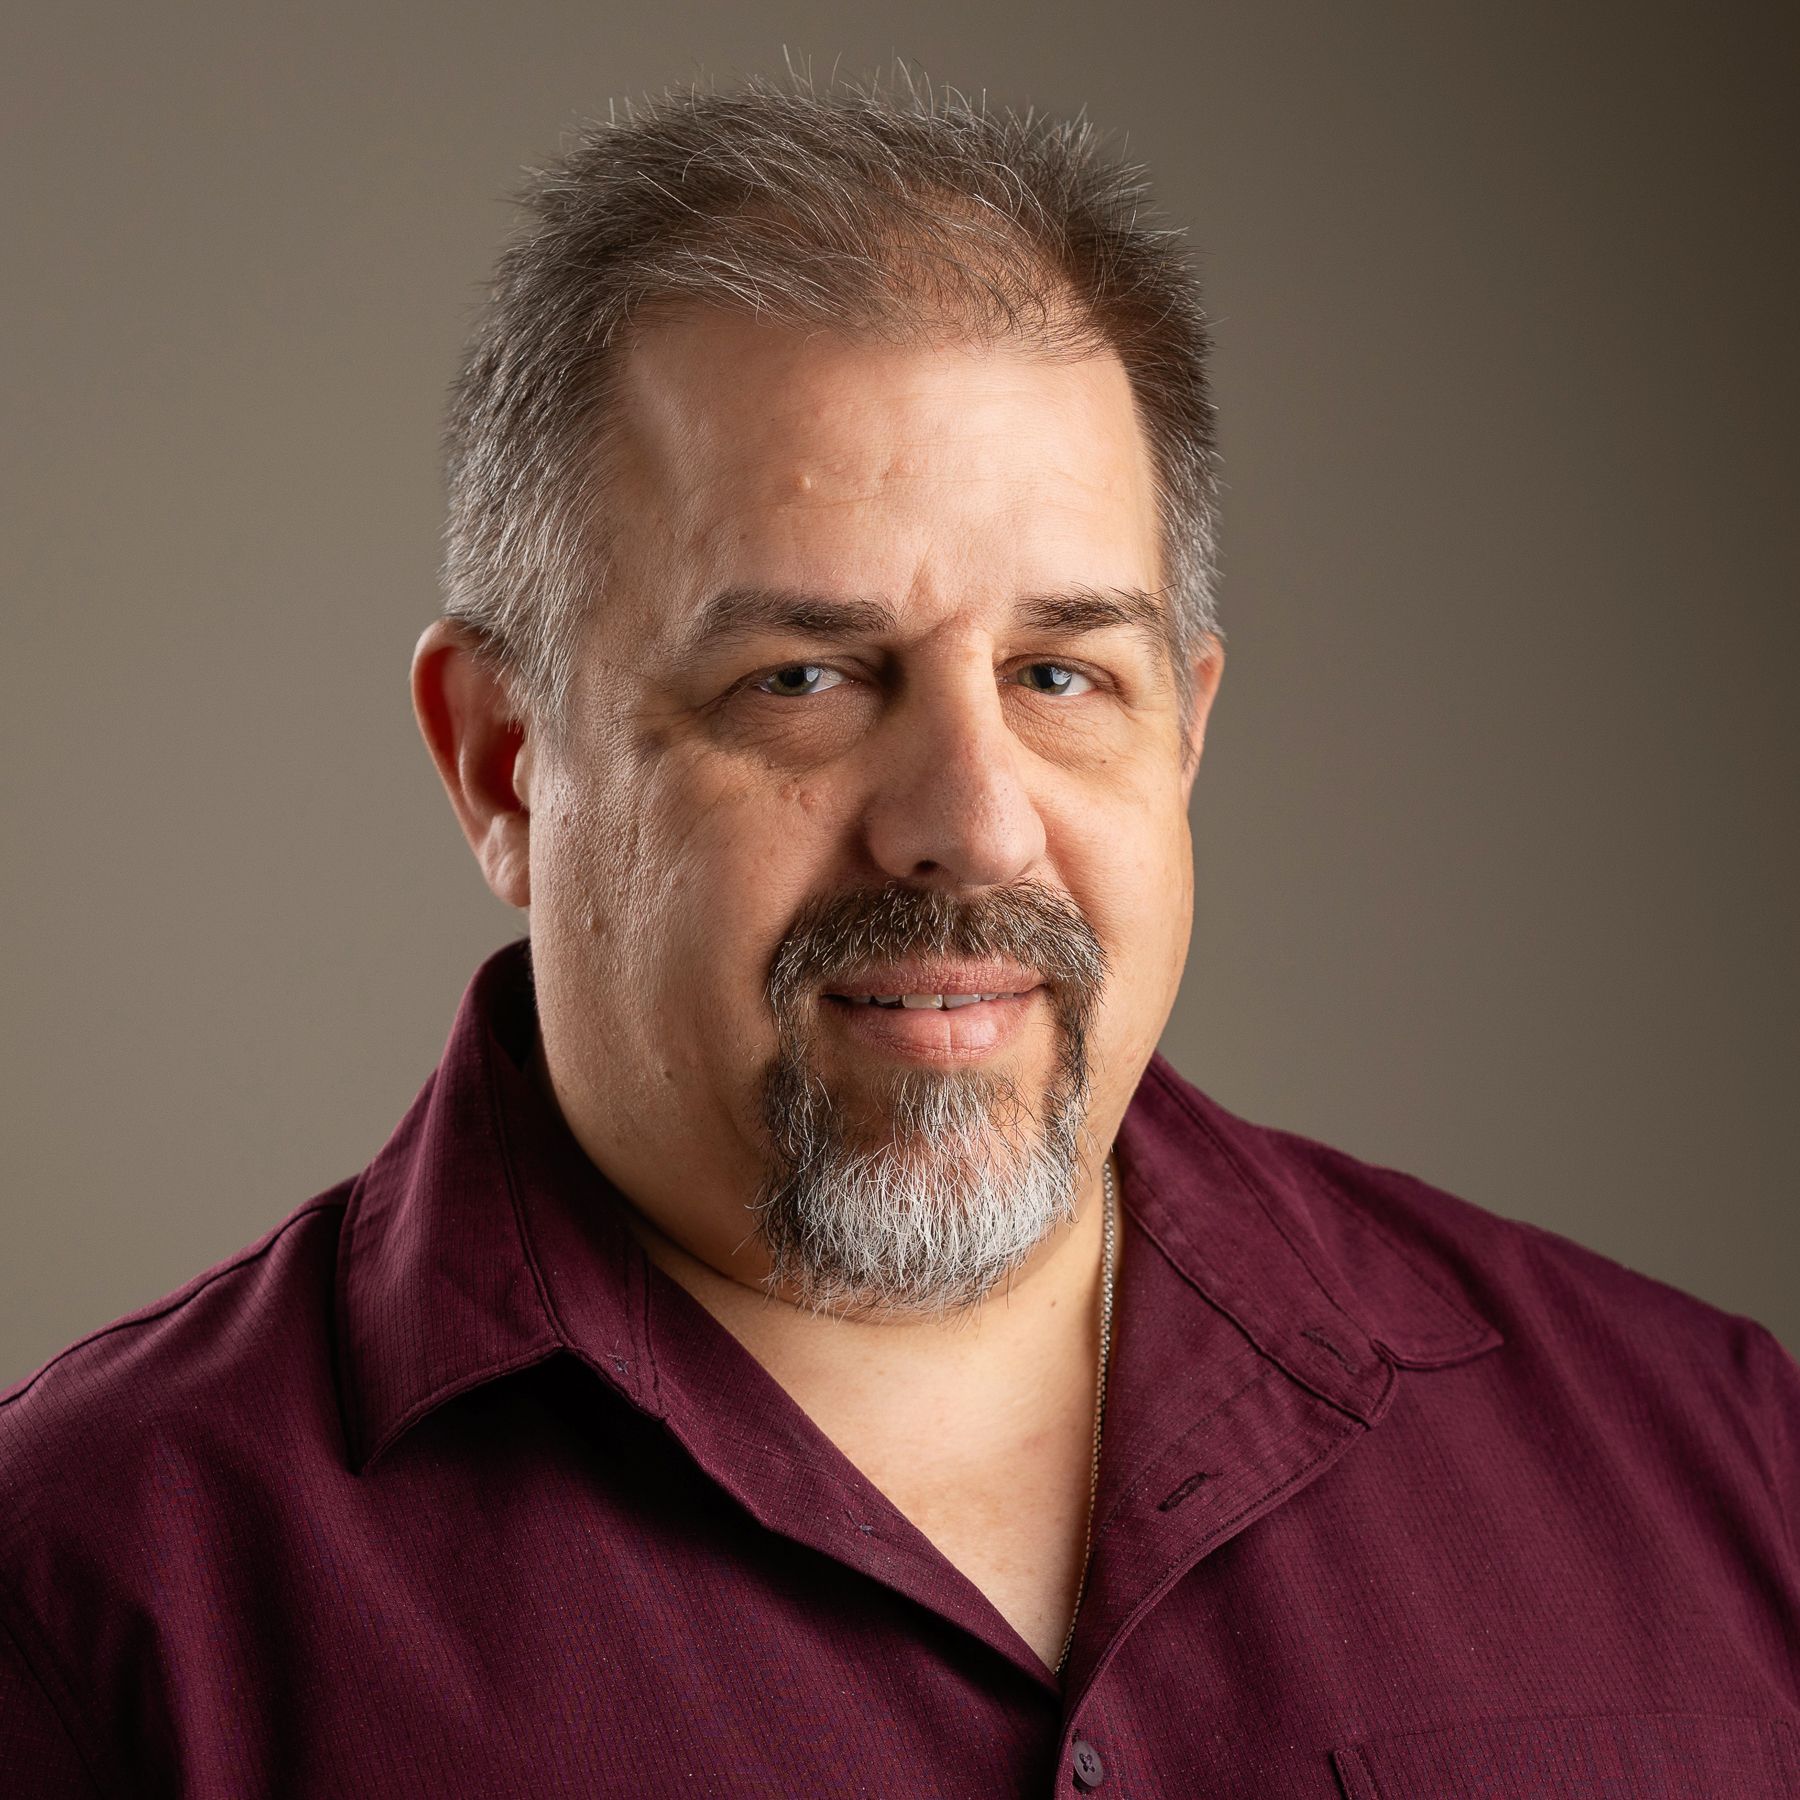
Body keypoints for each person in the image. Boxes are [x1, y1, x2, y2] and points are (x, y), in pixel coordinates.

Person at [2, 76, 1796, 1799]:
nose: (973, 820)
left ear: (1184, 732)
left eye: (1060, 676)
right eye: (805, 678)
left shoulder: (1715, 1456)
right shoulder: (87, 1593)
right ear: (503, 760)